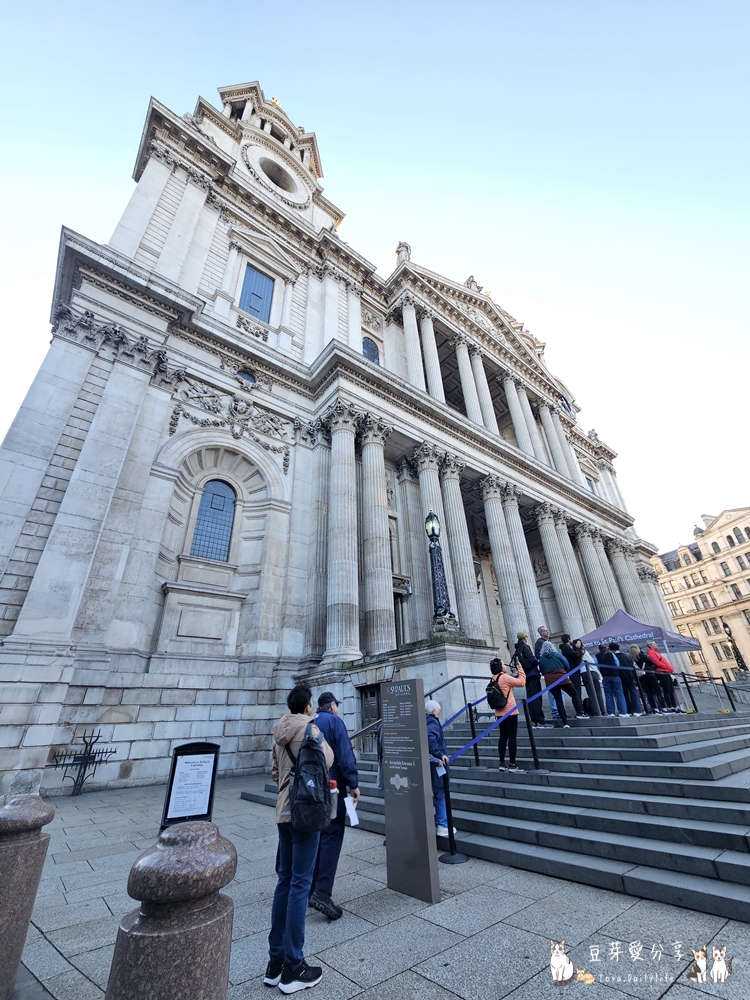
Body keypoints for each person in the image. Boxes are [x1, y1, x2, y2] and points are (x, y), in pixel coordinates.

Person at [266, 685, 334, 993]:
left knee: (284, 881)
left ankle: (275, 962)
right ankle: (294, 966)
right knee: (299, 885)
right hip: (304, 812)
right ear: (307, 707)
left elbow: (274, 773)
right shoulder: (311, 730)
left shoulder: (278, 731)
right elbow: (327, 760)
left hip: (283, 812)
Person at [308, 692, 360, 921]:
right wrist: (353, 783)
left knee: (316, 836)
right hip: (332, 788)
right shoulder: (334, 722)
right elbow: (345, 755)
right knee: (332, 835)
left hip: (310, 790)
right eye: (337, 705)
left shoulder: (309, 722)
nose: (337, 708)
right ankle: (322, 891)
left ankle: (310, 888)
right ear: (331, 706)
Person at [489, 657, 527, 770]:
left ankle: (501, 763)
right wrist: (520, 669)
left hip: (499, 712)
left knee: (503, 737)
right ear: (500, 667)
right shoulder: (504, 677)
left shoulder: (493, 678)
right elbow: (521, 682)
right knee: (512, 737)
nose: (505, 666)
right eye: (503, 664)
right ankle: (512, 764)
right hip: (510, 711)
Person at [425, 700, 454, 837]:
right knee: (441, 793)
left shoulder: (424, 721)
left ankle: (442, 823)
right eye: (438, 711)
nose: (439, 713)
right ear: (434, 711)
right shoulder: (433, 722)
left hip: (431, 762)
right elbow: (430, 739)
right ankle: (443, 824)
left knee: (439, 792)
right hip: (437, 763)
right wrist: (440, 754)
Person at [538, 640, 584, 727]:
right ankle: (579, 713)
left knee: (558, 700)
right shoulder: (557, 655)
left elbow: (541, 669)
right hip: (562, 677)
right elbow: (566, 664)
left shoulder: (542, 658)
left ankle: (565, 722)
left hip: (550, 680)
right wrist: (563, 671)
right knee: (574, 694)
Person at [514, 631, 548, 727]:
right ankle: (540, 721)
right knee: (536, 697)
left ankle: (534, 720)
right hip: (532, 674)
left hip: (525, 675)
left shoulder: (517, 649)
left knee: (530, 697)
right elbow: (531, 659)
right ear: (524, 638)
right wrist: (537, 661)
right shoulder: (525, 647)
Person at [608, 643, 643, 716]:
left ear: (611, 649)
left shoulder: (613, 657)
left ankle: (628, 710)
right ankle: (637, 710)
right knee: (634, 693)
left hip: (621, 677)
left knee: (624, 694)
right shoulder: (626, 656)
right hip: (631, 676)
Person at [559, 634, 589, 718]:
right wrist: (579, 648)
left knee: (577, 691)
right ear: (569, 639)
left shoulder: (566, 648)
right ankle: (580, 711)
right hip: (573, 671)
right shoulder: (566, 647)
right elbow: (575, 655)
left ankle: (580, 710)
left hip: (573, 671)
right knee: (577, 691)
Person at [645, 640, 679, 712]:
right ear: (650, 646)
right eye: (654, 644)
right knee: (667, 690)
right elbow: (657, 662)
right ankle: (670, 707)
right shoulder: (651, 653)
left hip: (666, 671)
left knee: (671, 690)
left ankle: (674, 706)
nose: (656, 645)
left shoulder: (656, 653)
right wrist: (665, 667)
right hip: (662, 672)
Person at [596, 644, 628, 717]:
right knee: (619, 693)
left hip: (605, 676)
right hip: (615, 675)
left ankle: (611, 712)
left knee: (608, 694)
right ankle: (622, 712)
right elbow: (617, 663)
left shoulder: (597, 656)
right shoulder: (611, 654)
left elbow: (596, 665)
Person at [629, 643, 663, 714]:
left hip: (640, 677)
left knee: (649, 693)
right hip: (649, 674)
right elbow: (651, 663)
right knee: (657, 691)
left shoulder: (630, 658)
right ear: (637, 649)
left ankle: (654, 708)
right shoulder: (641, 655)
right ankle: (663, 707)